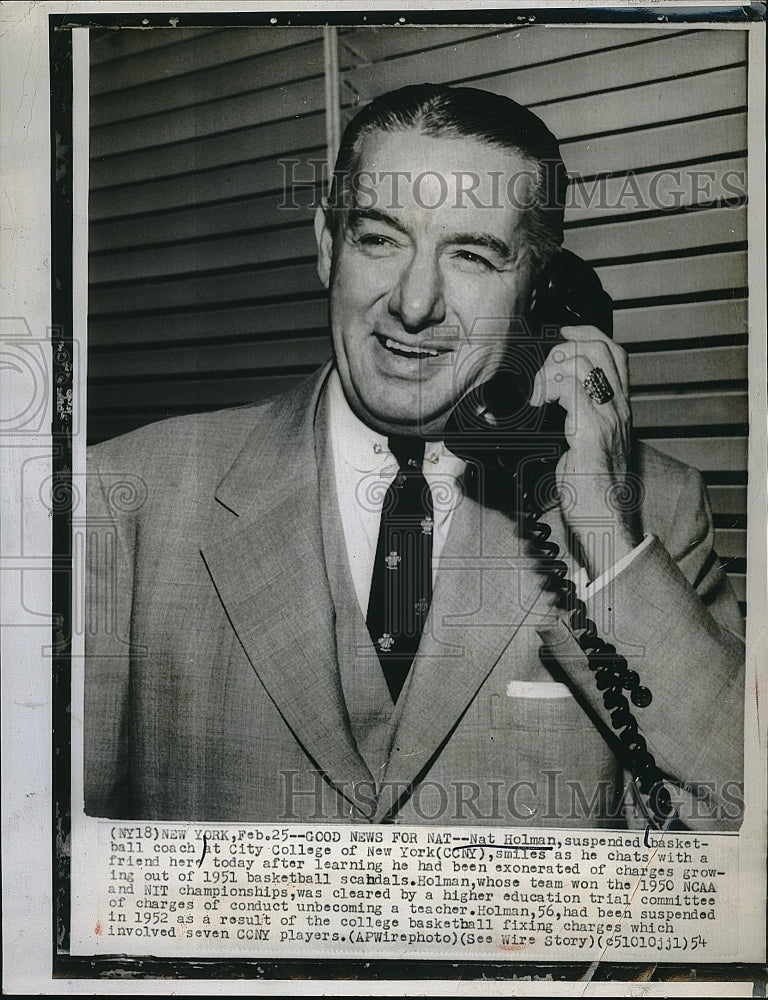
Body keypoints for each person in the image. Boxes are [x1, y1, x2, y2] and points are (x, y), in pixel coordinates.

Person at [84, 84, 744, 828]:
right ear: (328, 247)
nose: (416, 302)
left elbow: (743, 834)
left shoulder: (654, 513)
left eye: (471, 255)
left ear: (540, 291)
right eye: (380, 238)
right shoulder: (125, 497)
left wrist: (598, 524)